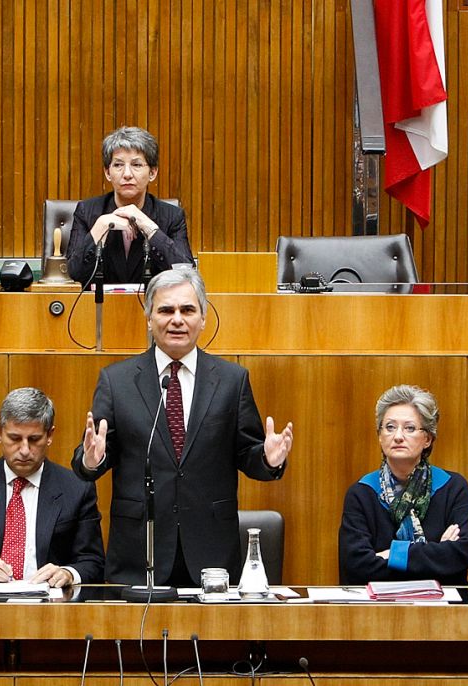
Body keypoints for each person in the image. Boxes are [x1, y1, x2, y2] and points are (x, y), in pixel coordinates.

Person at [73, 267, 293, 586]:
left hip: (211, 550)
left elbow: (248, 454)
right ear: (149, 318)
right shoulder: (117, 380)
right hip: (140, 550)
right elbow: (88, 459)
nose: (177, 319)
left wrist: (268, 459)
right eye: (166, 310)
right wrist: (92, 460)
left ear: (202, 318)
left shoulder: (232, 381)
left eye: (187, 310)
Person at [0, 388, 105, 587]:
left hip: (51, 608)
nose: (24, 450)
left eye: (34, 439)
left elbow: (93, 562)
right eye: (15, 438)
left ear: (50, 435)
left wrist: (67, 573)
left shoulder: (77, 488)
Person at [339, 385, 468, 585]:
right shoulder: (361, 493)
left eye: (410, 428)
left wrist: (393, 554)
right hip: (378, 608)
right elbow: (357, 566)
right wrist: (436, 552)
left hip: (444, 607)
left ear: (427, 438)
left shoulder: (452, 487)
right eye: (389, 427)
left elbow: (461, 555)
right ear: (379, 436)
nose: (398, 436)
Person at [64, 126, 194, 285]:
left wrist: (149, 227)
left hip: (151, 308)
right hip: (99, 307)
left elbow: (186, 275)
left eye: (137, 165)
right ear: (107, 173)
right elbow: (73, 276)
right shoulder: (87, 211)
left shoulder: (172, 216)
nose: (127, 174)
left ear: (152, 173)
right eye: (118, 165)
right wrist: (101, 226)